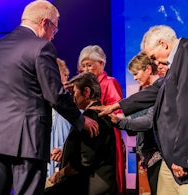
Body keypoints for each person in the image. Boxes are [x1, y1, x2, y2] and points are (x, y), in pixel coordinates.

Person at [0, 1, 99, 195]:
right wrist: (80, 120)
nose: (52, 37)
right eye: (54, 30)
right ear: (45, 23)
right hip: (28, 139)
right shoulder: (41, 47)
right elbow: (55, 94)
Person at [92, 25, 188, 195]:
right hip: (171, 156)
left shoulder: (185, 56)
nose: (155, 62)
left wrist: (183, 159)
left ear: (163, 44)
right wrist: (117, 106)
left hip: (180, 157)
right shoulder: (175, 62)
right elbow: (156, 90)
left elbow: (185, 112)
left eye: (153, 56)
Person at [44, 72, 118, 195]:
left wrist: (60, 174)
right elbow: (93, 150)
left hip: (92, 184)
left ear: (86, 92)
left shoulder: (91, 117)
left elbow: (84, 161)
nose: (71, 97)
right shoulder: (98, 114)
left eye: (74, 93)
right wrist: (66, 153)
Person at [111, 52, 162, 195]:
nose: (134, 78)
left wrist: (121, 121)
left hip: (159, 155)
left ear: (148, 69)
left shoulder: (157, 93)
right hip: (147, 155)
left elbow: (148, 122)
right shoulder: (142, 91)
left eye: (136, 73)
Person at [78, 44, 126, 195]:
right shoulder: (85, 85)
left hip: (106, 136)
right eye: (83, 66)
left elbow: (117, 113)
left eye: (89, 65)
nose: (86, 69)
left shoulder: (109, 82)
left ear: (102, 64)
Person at [47, 58, 71, 178]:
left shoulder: (69, 100)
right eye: (64, 74)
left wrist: (63, 148)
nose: (67, 77)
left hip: (62, 163)